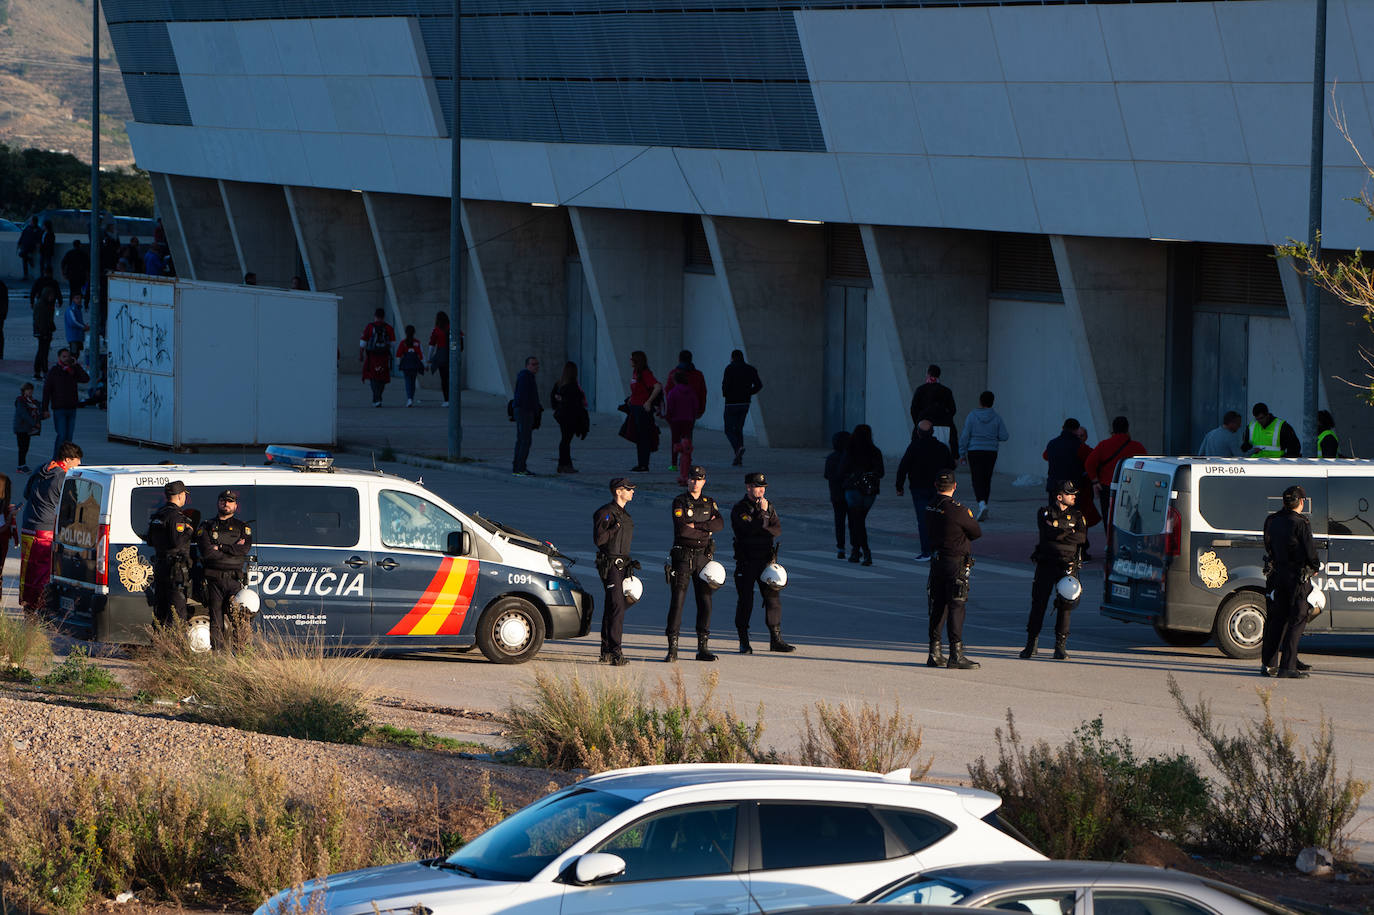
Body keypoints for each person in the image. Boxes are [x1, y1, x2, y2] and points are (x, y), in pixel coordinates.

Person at [1022, 479, 1086, 660]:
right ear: (1059, 496)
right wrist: (1069, 532)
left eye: (1074, 494)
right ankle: (1031, 644)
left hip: (1067, 566)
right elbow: (1048, 535)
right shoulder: (1044, 512)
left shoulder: (1078, 515)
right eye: (1069, 494)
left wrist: (1059, 528)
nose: (1074, 497)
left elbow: (1081, 538)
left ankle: (1060, 646)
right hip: (1046, 564)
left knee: (1065, 606)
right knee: (1038, 604)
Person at [731, 472, 795, 655]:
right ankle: (744, 641)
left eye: (762, 487)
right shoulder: (740, 509)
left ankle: (776, 639)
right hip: (746, 560)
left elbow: (776, 530)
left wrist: (763, 521)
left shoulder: (770, 506)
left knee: (773, 600)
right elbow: (749, 530)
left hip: (765, 560)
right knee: (746, 601)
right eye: (756, 487)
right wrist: (763, 515)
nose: (759, 490)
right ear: (748, 487)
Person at [1261, 484, 1320, 678]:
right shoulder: (1301, 523)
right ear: (1301, 502)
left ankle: (1269, 665)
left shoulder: (1272, 520)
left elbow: (1268, 545)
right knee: (1298, 618)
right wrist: (1316, 566)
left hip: (1278, 575)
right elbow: (1310, 551)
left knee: (1277, 619)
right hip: (1297, 577)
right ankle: (1288, 666)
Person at [665, 465, 723, 662]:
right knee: (678, 602)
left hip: (703, 558)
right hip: (683, 557)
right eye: (692, 478)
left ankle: (702, 647)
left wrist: (698, 526)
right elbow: (683, 531)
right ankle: (672, 648)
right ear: (687, 480)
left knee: (705, 602)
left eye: (699, 479)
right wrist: (706, 529)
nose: (695, 482)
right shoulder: (680, 501)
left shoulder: (709, 502)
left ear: (704, 481)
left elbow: (720, 524)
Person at [926, 469, 982, 669]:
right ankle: (956, 654)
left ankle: (934, 651)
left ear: (935, 486)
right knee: (957, 605)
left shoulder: (930, 506)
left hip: (937, 561)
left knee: (938, 605)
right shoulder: (958, 510)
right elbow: (976, 532)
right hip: (955, 562)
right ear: (955, 486)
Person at [19, 441, 82, 615]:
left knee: (28, 570)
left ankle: (28, 605)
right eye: (77, 462)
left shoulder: (41, 469)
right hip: (46, 530)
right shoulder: (63, 477)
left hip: (28, 526)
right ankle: (41, 607)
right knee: (45, 572)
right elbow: (72, 506)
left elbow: (26, 494)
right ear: (67, 460)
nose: (78, 466)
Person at [196, 489, 253, 651]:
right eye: (223, 501)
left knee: (240, 619)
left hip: (235, 581)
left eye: (230, 501)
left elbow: (244, 550)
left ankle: (241, 653)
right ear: (218, 503)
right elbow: (207, 553)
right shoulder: (207, 526)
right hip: (214, 581)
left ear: (236, 505)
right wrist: (232, 549)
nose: (226, 504)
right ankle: (218, 655)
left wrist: (220, 547)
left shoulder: (243, 527)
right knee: (216, 621)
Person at [895, 420, 955, 562]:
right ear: (933, 432)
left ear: (917, 432)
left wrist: (899, 486)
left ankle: (927, 551)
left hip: (919, 488)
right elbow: (951, 466)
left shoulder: (914, 447)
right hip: (939, 488)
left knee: (923, 520)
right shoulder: (941, 447)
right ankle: (940, 550)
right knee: (939, 519)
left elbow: (903, 467)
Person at [1084, 416, 1147, 550]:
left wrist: (1095, 481)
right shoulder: (1137, 446)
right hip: (1131, 488)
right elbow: (1146, 466)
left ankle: (1110, 544)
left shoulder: (1103, 445)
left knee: (1109, 516)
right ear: (1127, 429)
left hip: (1107, 487)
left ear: (1113, 429)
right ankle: (1129, 544)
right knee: (1130, 516)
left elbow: (1089, 463)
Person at [593, 478, 637, 665]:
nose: (632, 492)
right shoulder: (606, 513)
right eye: (628, 489)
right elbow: (599, 539)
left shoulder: (625, 515)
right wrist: (613, 529)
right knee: (617, 606)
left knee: (613, 606)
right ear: (619, 492)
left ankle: (606, 650)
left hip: (622, 565)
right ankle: (615, 651)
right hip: (610, 564)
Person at [146, 480, 194, 628]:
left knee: (160, 613)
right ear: (180, 496)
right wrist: (189, 531)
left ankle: (160, 645)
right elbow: (177, 542)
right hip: (175, 570)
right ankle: (175, 647)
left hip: (161, 567)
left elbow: (149, 540)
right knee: (177, 614)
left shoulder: (158, 515)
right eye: (184, 495)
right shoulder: (176, 517)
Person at [1043, 417, 1093, 559]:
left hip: (1054, 486)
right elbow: (1092, 457)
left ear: (1062, 427)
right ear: (1076, 430)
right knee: (1075, 519)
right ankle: (1078, 551)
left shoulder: (1052, 444)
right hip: (1071, 488)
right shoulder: (1079, 446)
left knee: (1054, 518)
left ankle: (1054, 548)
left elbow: (1045, 456)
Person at [960, 391, 1008, 521]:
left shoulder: (972, 416)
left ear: (980, 401)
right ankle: (984, 504)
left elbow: (965, 436)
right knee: (986, 479)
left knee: (977, 479)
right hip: (991, 451)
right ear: (992, 402)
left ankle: (981, 504)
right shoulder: (997, 417)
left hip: (975, 451)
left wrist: (962, 453)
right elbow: (1004, 436)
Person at [840, 424, 884, 566]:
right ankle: (858, 550)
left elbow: (841, 470)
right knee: (859, 521)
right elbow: (881, 472)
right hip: (869, 491)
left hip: (853, 490)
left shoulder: (850, 450)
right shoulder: (875, 451)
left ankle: (862, 551)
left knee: (856, 521)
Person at [41, 348, 90, 462]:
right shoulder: (54, 371)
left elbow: (85, 379)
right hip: (59, 408)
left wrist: (76, 365)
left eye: (68, 356)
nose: (66, 359)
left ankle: (66, 459)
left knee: (69, 437)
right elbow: (47, 391)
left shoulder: (72, 371)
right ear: (59, 358)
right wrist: (45, 408)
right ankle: (56, 459)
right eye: (64, 356)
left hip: (71, 408)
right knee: (61, 435)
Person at [721, 349, 763, 466]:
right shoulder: (750, 369)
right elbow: (759, 385)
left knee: (728, 429)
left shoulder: (729, 369)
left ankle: (738, 448)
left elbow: (725, 384)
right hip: (744, 403)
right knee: (739, 429)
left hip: (731, 403)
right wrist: (749, 393)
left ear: (732, 357)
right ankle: (738, 458)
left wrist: (726, 394)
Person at [626, 350, 662, 473]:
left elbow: (657, 386)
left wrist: (648, 401)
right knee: (638, 436)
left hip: (642, 409)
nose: (630, 361)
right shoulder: (635, 372)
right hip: (635, 407)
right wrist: (632, 398)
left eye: (631, 359)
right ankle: (640, 463)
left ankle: (644, 464)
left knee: (644, 436)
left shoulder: (645, 373)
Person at [551, 361, 589, 474]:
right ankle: (564, 465)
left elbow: (554, 400)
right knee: (566, 441)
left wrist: (560, 402)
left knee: (565, 440)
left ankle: (564, 464)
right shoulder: (572, 385)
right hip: (570, 417)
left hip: (562, 416)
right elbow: (575, 402)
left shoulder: (559, 384)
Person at [910, 364, 957, 452]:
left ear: (928, 374)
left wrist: (919, 422)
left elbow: (913, 410)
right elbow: (953, 410)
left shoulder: (920, 390)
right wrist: (945, 420)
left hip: (923, 429)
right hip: (943, 429)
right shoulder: (946, 391)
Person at [664, 370, 700, 482]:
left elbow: (670, 407)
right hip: (688, 419)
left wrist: (668, 417)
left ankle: (674, 464)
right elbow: (695, 405)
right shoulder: (691, 391)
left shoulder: (673, 392)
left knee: (675, 441)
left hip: (676, 420)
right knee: (687, 441)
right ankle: (687, 461)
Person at [359, 307, 395, 407]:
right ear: (384, 317)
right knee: (382, 377)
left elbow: (363, 342)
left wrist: (361, 354)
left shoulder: (370, 327)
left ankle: (376, 398)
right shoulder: (389, 328)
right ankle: (378, 397)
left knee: (373, 376)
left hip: (372, 356)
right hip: (384, 356)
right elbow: (392, 343)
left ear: (375, 316)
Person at [824, 430, 852, 559]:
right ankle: (855, 546)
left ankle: (841, 547)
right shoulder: (851, 457)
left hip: (836, 494)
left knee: (839, 521)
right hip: (850, 492)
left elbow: (826, 475)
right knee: (853, 521)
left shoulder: (831, 458)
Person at [512, 356, 541, 476]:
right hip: (524, 411)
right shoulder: (526, 377)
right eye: (533, 364)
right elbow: (526, 397)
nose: (536, 367)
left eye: (537, 364)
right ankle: (520, 467)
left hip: (523, 410)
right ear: (527, 365)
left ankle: (518, 466)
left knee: (522, 439)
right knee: (525, 440)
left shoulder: (527, 377)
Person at [664, 350, 707, 421]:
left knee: (676, 431)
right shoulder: (698, 374)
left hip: (676, 411)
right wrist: (701, 409)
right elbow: (703, 393)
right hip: (691, 410)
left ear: (679, 359)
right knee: (688, 431)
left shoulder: (673, 373)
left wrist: (667, 410)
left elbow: (667, 392)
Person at [32, 285, 58, 381]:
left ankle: (39, 371)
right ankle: (43, 371)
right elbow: (40, 320)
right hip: (42, 332)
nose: (52, 298)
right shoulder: (41, 305)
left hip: (45, 331)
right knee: (43, 352)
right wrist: (45, 331)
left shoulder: (47, 304)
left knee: (42, 351)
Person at [396, 325, 426, 407]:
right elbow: (421, 354)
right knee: (412, 381)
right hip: (414, 364)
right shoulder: (417, 342)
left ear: (406, 333)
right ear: (414, 333)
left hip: (406, 364)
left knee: (408, 381)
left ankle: (409, 398)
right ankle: (411, 397)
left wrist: (398, 364)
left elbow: (398, 354)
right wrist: (425, 364)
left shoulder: (403, 343)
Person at [13, 382, 40, 473]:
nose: (30, 392)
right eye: (28, 390)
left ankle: (22, 465)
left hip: (27, 428)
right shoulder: (21, 401)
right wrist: (34, 423)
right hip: (21, 427)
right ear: (23, 391)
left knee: (25, 447)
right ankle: (21, 465)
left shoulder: (32, 401)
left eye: (31, 390)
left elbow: (37, 412)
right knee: (22, 447)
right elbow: (24, 414)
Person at [428, 311, 451, 406]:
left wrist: (429, 358)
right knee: (452, 379)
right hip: (451, 356)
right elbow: (461, 337)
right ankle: (454, 398)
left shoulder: (436, 330)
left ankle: (447, 400)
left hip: (442, 357)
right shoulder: (452, 327)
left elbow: (432, 345)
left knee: (444, 379)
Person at [63, 291, 89, 359]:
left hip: (77, 335)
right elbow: (73, 322)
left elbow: (78, 321)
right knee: (74, 354)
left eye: (80, 298)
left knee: (76, 353)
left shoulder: (77, 309)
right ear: (73, 299)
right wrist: (83, 327)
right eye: (77, 298)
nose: (79, 300)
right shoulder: (71, 309)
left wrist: (84, 326)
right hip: (73, 336)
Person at [17, 216, 39, 280]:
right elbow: (22, 236)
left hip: (30, 247)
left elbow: (38, 239)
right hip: (25, 246)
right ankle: (25, 275)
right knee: (24, 260)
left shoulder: (37, 229)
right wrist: (19, 243)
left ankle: (26, 274)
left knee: (25, 257)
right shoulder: (27, 228)